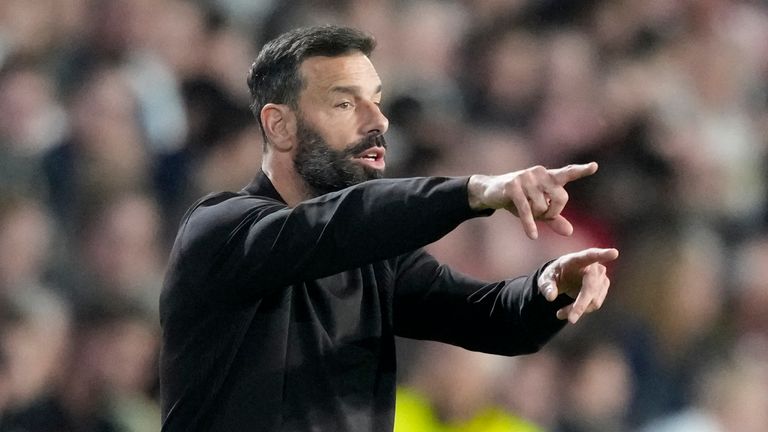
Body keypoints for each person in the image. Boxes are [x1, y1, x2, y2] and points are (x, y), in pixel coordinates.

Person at [159, 25, 619, 432]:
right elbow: (340, 224)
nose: (378, 121)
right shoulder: (220, 229)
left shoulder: (378, 261)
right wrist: (473, 191)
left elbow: (490, 317)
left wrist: (550, 285)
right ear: (279, 126)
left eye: (377, 102)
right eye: (344, 103)